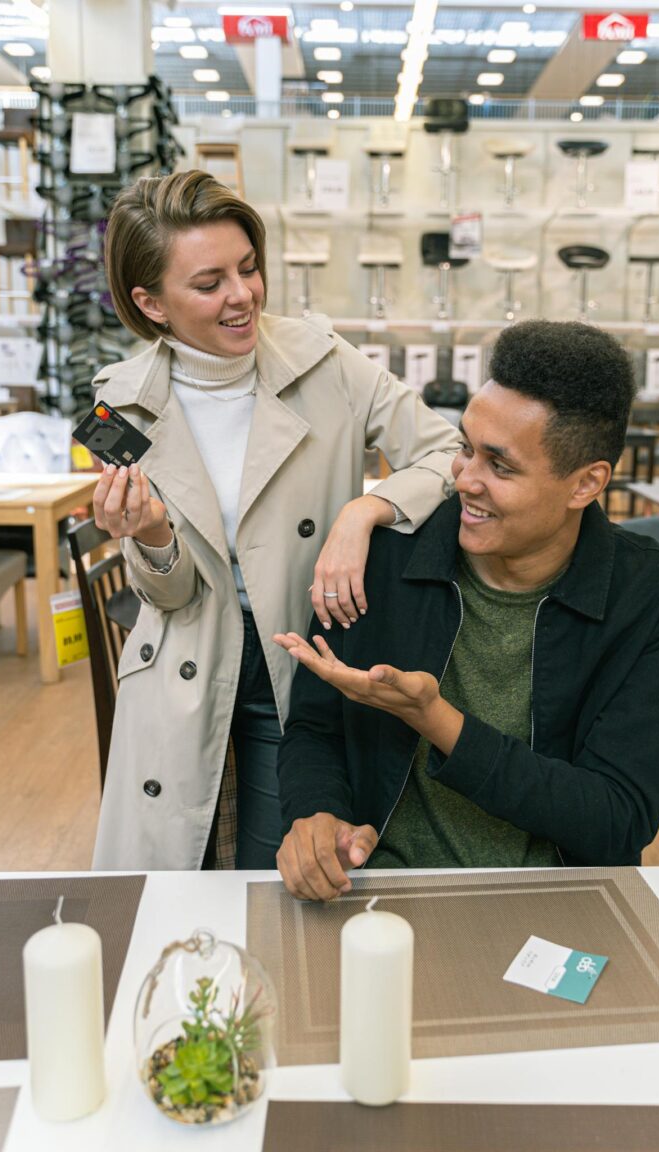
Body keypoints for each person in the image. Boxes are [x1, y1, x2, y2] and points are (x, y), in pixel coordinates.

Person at [89, 169, 461, 872]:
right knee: (178, 890)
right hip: (183, 673)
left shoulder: (326, 363)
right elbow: (168, 597)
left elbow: (450, 452)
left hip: (301, 663)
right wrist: (152, 537)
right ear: (151, 302)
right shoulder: (123, 401)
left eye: (249, 268)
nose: (242, 296)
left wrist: (365, 510)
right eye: (209, 283)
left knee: (281, 881)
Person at [274, 319, 659, 901]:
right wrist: (317, 814)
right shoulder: (381, 558)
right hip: (375, 888)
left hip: (557, 901)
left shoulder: (657, 598)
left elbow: (617, 819)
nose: (464, 480)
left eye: (500, 467)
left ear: (586, 484)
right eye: (464, 448)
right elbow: (314, 727)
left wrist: (436, 719)